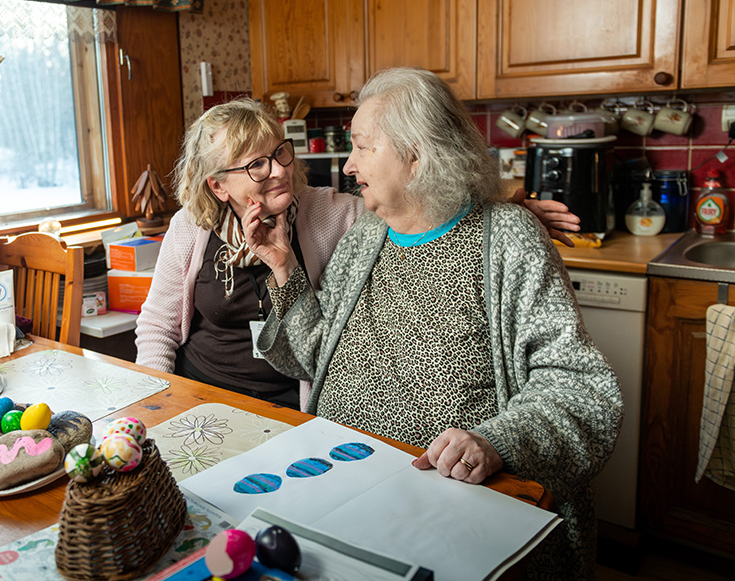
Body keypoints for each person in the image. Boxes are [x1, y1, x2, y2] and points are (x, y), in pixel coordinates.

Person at [243, 68, 622, 579]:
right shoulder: (365, 238)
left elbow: (580, 389)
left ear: (417, 155)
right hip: (344, 486)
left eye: (362, 147)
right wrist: (284, 266)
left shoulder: (507, 238)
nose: (349, 165)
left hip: (451, 507)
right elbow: (312, 356)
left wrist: (496, 442)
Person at [135, 98, 582, 410]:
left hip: (286, 402)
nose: (279, 171)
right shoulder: (191, 229)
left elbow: (417, 203)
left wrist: (503, 210)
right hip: (202, 393)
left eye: (280, 153)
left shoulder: (333, 213)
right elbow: (158, 327)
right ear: (218, 185)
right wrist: (158, 402)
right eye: (256, 165)